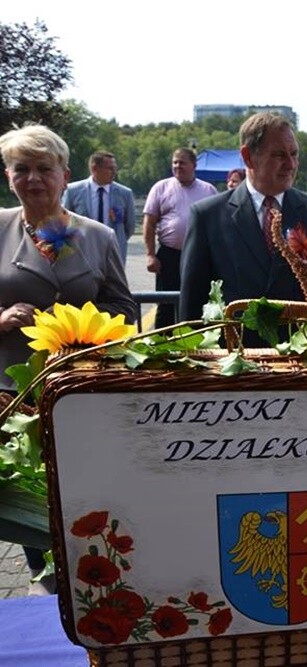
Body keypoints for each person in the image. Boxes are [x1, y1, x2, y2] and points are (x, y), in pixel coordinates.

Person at [0, 124, 137, 595]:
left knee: (84, 489)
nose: (34, 178)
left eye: (44, 168)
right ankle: (48, 588)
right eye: (23, 169)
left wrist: (81, 329)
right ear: (8, 175)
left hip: (82, 390)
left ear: (65, 175)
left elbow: (125, 308)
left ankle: (95, 580)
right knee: (32, 494)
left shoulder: (96, 236)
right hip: (15, 396)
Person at [179, 112, 307, 342]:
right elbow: (191, 309)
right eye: (279, 155)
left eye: (294, 154)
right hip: (236, 363)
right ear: (248, 157)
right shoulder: (207, 217)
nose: (290, 164)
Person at [142, 148, 217, 329]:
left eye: (182, 162)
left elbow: (217, 226)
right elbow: (149, 223)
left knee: (198, 302)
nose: (177, 166)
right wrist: (150, 255)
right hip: (169, 256)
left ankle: (196, 345)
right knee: (166, 304)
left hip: (199, 257)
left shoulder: (208, 190)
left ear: (194, 165)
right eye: (175, 162)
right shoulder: (161, 188)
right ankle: (162, 345)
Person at [63, 151, 136, 264]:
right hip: (83, 251)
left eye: (115, 168)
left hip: (113, 252)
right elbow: (65, 222)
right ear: (95, 169)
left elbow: (129, 226)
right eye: (110, 168)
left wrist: (115, 239)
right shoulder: (73, 191)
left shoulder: (125, 193)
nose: (114, 172)